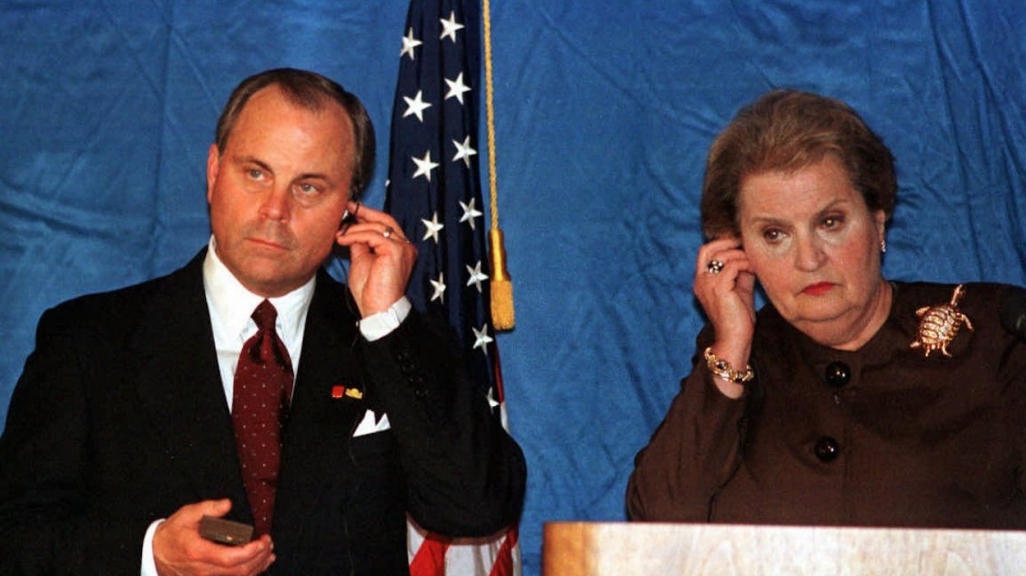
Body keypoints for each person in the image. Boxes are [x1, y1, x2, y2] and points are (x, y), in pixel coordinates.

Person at [0, 68, 526, 576]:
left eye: (309, 187)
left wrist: (386, 321)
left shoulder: (392, 340)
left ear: (349, 209)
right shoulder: (89, 342)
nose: (275, 210)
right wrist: (150, 556)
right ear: (213, 172)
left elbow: (475, 508)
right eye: (256, 173)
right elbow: (16, 540)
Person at [626, 89, 1026, 528]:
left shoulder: (993, 337)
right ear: (739, 250)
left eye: (829, 222)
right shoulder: (738, 361)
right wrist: (731, 350)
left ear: (877, 223)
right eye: (775, 235)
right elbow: (655, 526)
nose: (808, 259)